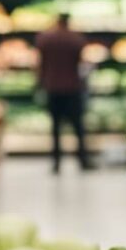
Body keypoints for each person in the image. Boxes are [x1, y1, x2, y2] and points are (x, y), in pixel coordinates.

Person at [35, 12, 92, 173]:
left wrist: (39, 84)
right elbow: (82, 65)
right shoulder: (75, 39)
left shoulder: (45, 38)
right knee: (78, 127)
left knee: (55, 128)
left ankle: (56, 162)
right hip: (73, 87)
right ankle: (83, 159)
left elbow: (40, 65)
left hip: (52, 88)